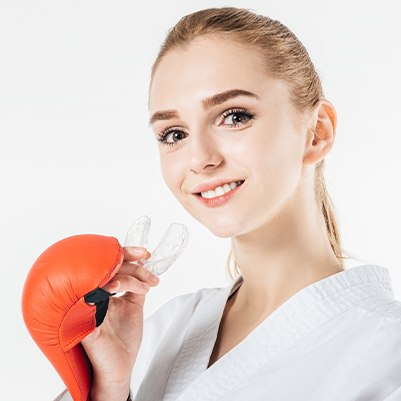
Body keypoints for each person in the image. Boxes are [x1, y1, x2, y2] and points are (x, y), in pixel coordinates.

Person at [54, 6, 401, 401]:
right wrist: (108, 388)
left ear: (317, 132)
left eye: (234, 116)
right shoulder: (161, 331)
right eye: (173, 134)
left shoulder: (387, 355)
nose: (200, 158)